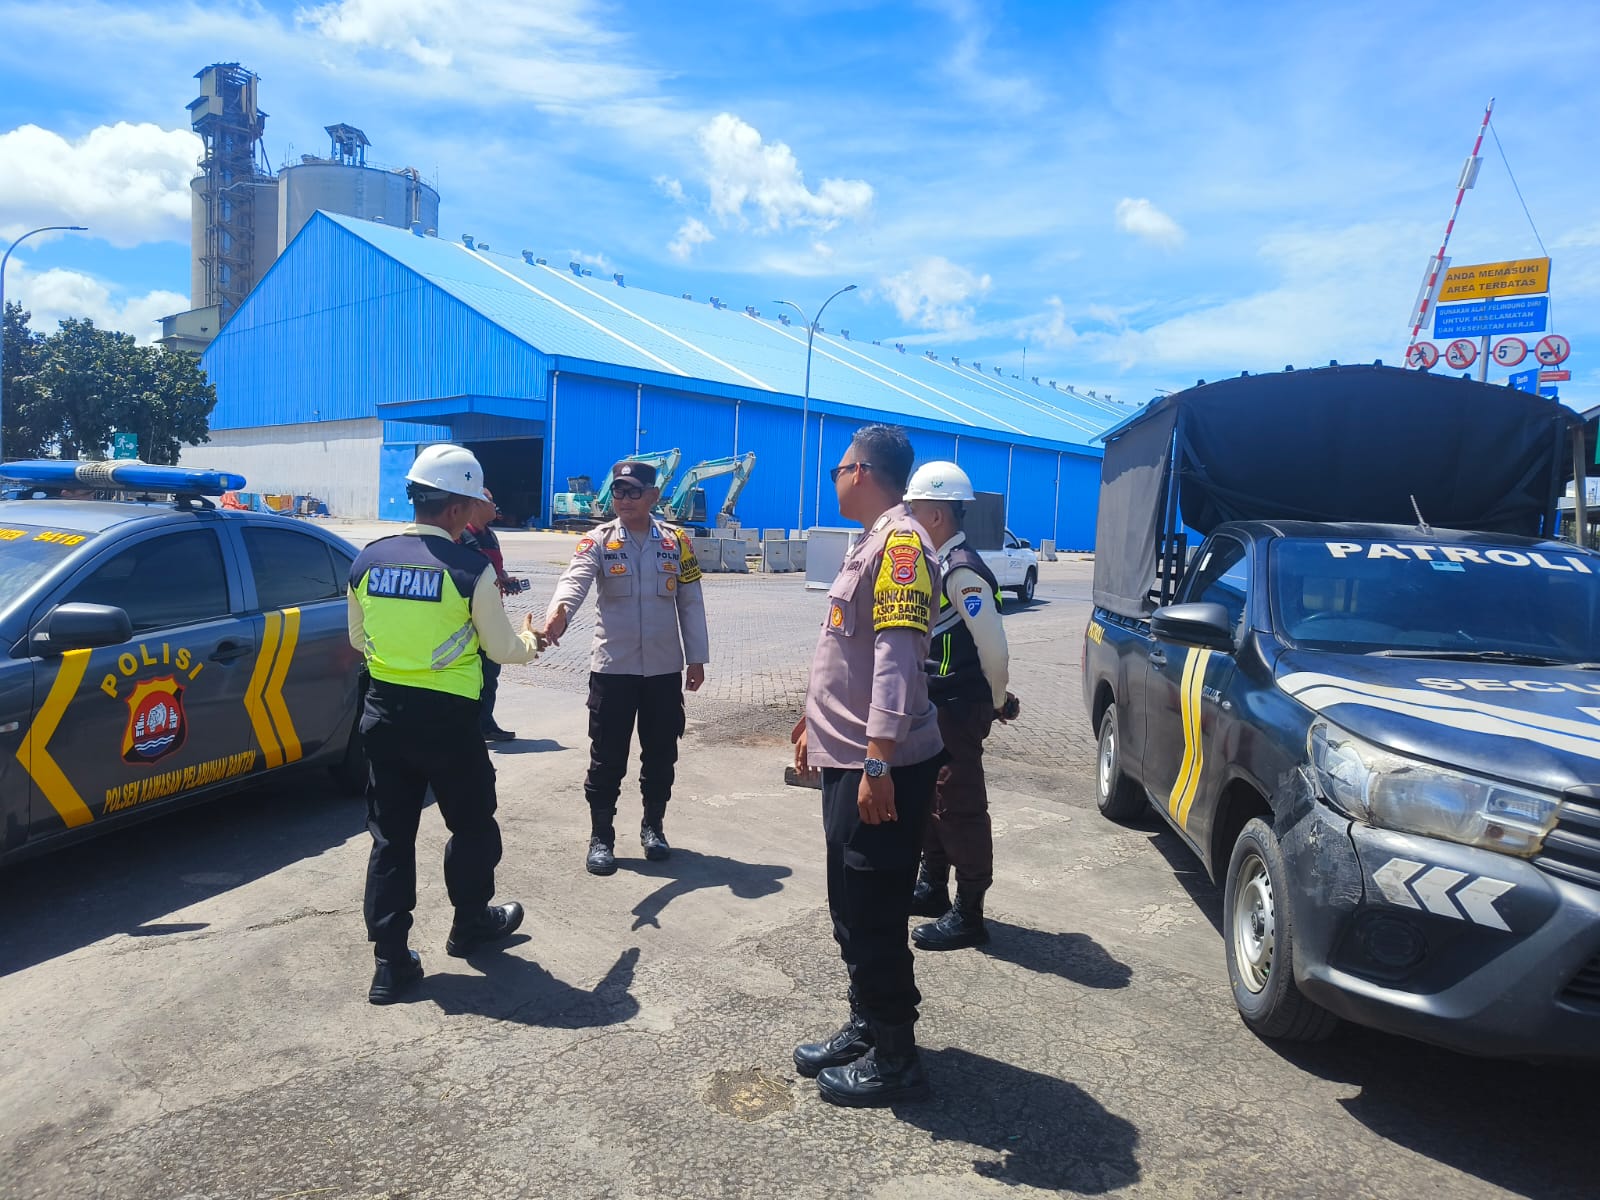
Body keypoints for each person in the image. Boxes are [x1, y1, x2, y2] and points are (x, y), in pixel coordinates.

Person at [348, 443, 546, 1005]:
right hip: (449, 724)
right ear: (458, 508)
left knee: (391, 839)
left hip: (384, 716)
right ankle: (469, 924)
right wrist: (533, 639)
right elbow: (503, 649)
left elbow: (358, 639)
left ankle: (390, 963)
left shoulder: (368, 559)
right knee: (473, 824)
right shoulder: (469, 569)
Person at [790, 424, 944, 1108]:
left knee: (875, 911)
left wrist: (879, 760)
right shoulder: (869, 541)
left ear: (861, 472)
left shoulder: (901, 544)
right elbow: (846, 652)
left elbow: (897, 659)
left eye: (838, 467)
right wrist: (811, 720)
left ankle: (896, 1058)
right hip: (849, 756)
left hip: (876, 766)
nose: (834, 478)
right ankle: (867, 1023)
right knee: (850, 905)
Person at [542, 461, 710, 876]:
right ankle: (601, 836)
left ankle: (654, 827)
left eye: (634, 492)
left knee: (661, 754)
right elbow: (574, 581)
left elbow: (690, 602)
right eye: (618, 491)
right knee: (607, 757)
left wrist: (696, 658)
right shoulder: (598, 540)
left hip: (663, 671)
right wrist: (558, 613)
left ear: (653, 496)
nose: (624, 499)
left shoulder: (677, 542)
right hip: (613, 670)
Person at [903, 461, 1019, 951]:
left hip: (958, 704)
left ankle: (970, 912)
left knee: (959, 804)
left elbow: (994, 648)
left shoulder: (962, 570)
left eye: (914, 509)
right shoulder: (938, 562)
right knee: (932, 798)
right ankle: (933, 886)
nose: (907, 518)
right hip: (936, 704)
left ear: (936, 516)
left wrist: (997, 699)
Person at [459, 487, 518, 742]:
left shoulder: (490, 536)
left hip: (492, 613)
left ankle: (485, 723)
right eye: (490, 501)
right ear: (476, 504)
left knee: (490, 670)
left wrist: (505, 579)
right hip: (470, 616)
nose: (495, 506)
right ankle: (469, 725)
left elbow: (495, 569)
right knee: (472, 673)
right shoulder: (461, 536)